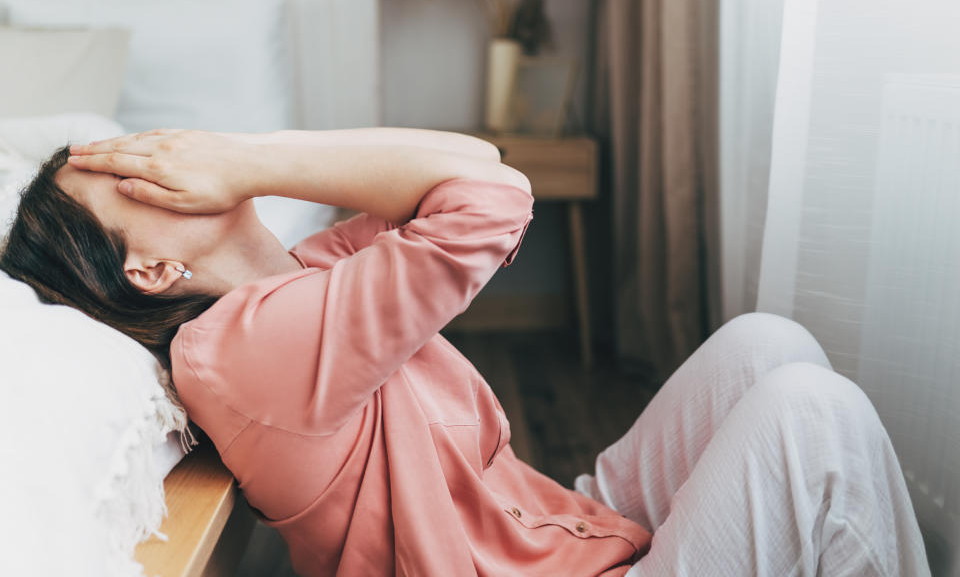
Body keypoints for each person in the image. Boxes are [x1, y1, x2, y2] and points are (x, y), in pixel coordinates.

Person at [0, 129, 930, 576]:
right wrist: (248, 163)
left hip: (557, 534)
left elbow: (477, 165)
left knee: (769, 347)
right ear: (153, 269)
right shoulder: (234, 352)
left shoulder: (310, 272)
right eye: (128, 177)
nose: (160, 155)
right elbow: (494, 203)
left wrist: (242, 154)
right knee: (812, 408)